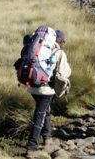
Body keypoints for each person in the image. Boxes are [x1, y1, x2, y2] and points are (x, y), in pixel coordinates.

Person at [25, 29, 71, 157]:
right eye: (63, 41)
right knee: (39, 115)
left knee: (46, 111)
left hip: (32, 87)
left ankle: (47, 138)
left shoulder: (39, 49)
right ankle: (31, 147)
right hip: (46, 89)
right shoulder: (59, 52)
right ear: (60, 41)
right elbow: (63, 74)